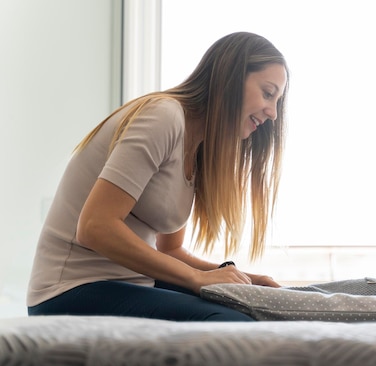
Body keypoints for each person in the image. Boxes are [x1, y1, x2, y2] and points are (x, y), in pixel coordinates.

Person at [27, 32, 289, 322]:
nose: (273, 113)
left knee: (251, 308)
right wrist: (195, 278)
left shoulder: (198, 148)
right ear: (229, 78)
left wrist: (243, 279)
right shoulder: (163, 117)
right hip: (68, 290)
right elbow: (94, 226)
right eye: (267, 93)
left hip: (129, 283)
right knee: (235, 325)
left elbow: (171, 250)